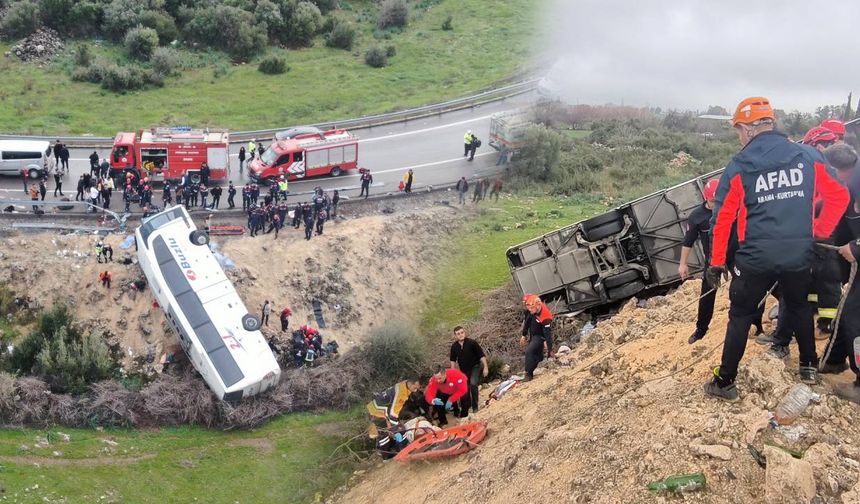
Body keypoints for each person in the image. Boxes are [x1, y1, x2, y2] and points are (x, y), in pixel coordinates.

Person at [703, 97, 849, 402]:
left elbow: (722, 218)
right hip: (798, 253)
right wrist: (819, 235)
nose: (739, 136)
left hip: (755, 257)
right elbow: (839, 195)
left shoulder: (740, 165)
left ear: (748, 128)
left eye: (738, 130)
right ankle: (808, 367)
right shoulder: (807, 155)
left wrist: (716, 262)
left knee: (740, 315)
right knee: (798, 306)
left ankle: (725, 382)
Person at [449, 326, 488, 416]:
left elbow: (481, 355)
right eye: (458, 334)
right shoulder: (454, 347)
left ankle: (475, 407)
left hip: (475, 367)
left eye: (462, 332)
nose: (461, 335)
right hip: (464, 371)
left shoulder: (472, 343)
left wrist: (485, 367)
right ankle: (465, 410)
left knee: (473, 384)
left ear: (464, 333)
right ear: (455, 336)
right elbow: (453, 361)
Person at [520, 294, 553, 381]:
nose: (529, 310)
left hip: (540, 336)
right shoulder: (532, 309)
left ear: (537, 306)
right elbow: (527, 322)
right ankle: (536, 367)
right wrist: (524, 335)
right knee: (537, 355)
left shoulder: (546, 317)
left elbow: (548, 334)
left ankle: (528, 374)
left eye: (531, 309)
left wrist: (549, 349)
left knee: (529, 351)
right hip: (533, 333)